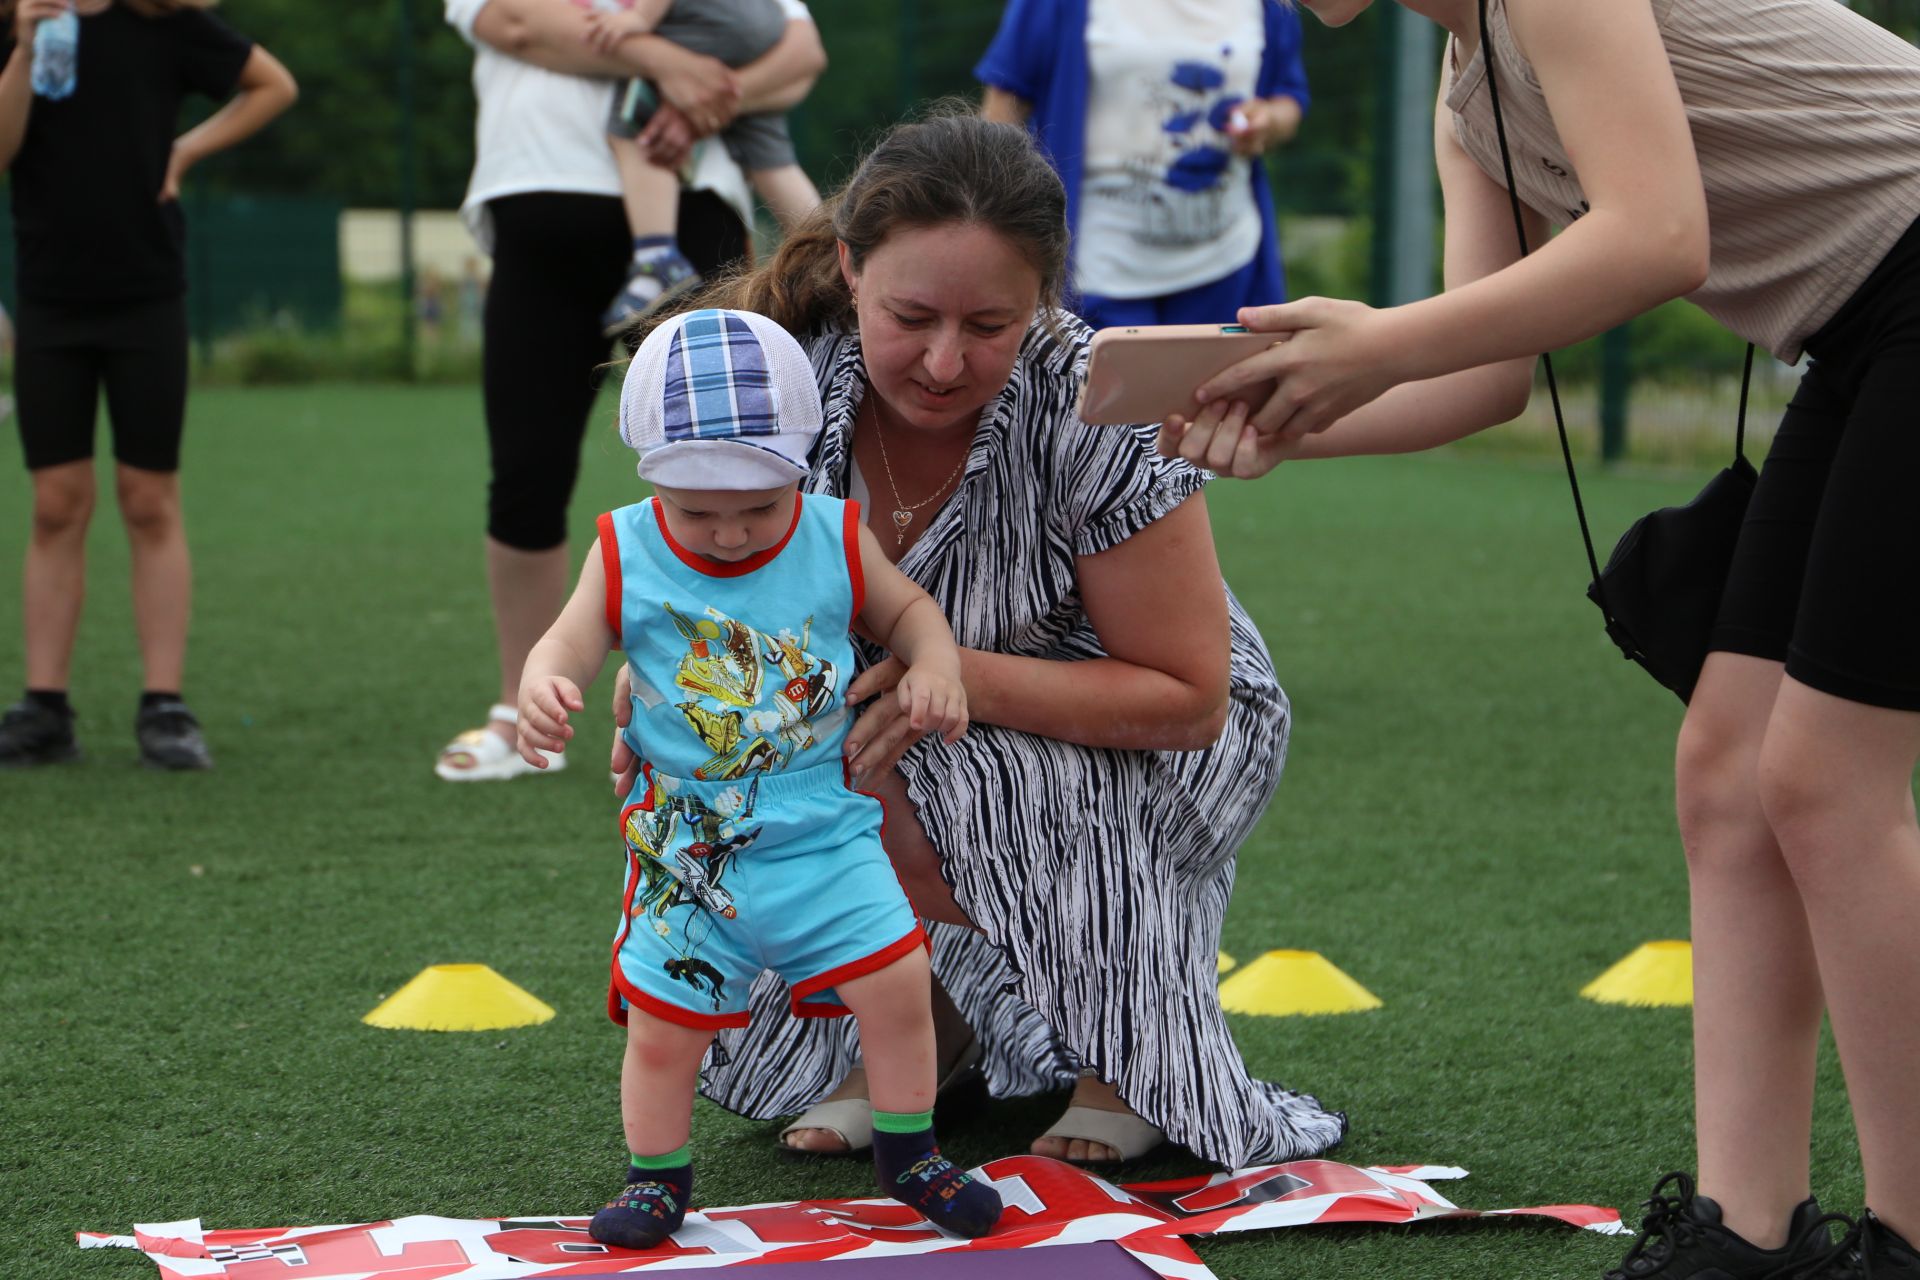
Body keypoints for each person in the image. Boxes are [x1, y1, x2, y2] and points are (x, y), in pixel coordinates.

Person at [1161, 0, 1920, 1274]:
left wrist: (1374, 341)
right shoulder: (1472, 92)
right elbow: (1484, 376)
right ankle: (1740, 1235)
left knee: (1823, 781)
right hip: (1860, 328)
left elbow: (1658, 236)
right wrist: (1271, 414)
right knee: (1729, 779)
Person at [612, 112, 1347, 1170]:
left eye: (990, 325)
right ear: (853, 270)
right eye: (911, 315)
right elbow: (697, 589)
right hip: (880, 700)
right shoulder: (779, 389)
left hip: (1156, 725)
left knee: (952, 775)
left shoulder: (1097, 399)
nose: (946, 362)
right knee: (737, 768)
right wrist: (666, 693)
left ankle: (1122, 1059)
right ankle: (926, 1017)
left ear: (1043, 302)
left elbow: (1188, 698)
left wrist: (933, 678)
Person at [516, 307, 1003, 1247]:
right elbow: (571, 638)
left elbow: (910, 613)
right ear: (649, 474)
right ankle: (657, 1176)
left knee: (900, 983)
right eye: (698, 512)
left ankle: (912, 1150)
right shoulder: (624, 546)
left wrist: (936, 664)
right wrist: (545, 680)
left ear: (800, 467)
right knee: (662, 1025)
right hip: (688, 841)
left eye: (758, 508)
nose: (731, 535)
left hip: (822, 825)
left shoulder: (832, 533)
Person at [436, 0, 824, 783]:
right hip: (540, 207)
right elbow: (517, 26)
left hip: (690, 211)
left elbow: (800, 53)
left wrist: (699, 91)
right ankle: (522, 708)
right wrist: (668, 63)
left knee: (750, 465)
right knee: (527, 471)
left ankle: (770, 702)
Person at [0, 0, 296, 770]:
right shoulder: (19, 23)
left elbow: (273, 84)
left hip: (146, 299)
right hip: (50, 300)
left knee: (147, 496)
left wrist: (186, 151)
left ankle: (163, 704)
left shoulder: (162, 19)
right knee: (57, 501)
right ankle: (44, 708)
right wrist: (26, 46)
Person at [976, 0, 1308, 329]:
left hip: (1228, 264)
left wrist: (1268, 121)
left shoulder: (1271, 6)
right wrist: (995, 230)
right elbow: (1004, 107)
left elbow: (1287, 97)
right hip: (1092, 270)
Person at [583, 0, 822, 335]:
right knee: (769, 155)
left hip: (709, 17)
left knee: (632, 125)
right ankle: (833, 253)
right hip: (760, 24)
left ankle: (657, 260)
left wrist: (639, 18)